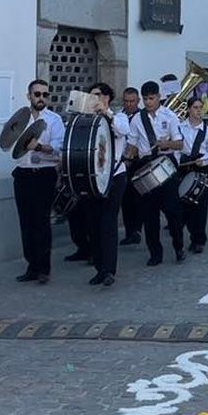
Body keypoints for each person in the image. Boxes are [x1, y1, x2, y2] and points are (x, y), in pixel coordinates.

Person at [11, 80, 66, 284]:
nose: (41, 98)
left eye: (45, 94)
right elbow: (9, 141)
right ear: (29, 96)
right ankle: (31, 266)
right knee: (26, 221)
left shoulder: (54, 120)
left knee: (41, 221)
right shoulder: (20, 118)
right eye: (37, 94)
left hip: (44, 174)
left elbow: (59, 148)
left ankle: (44, 268)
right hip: (23, 173)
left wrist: (40, 147)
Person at [128, 80, 187, 265]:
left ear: (158, 97)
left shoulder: (170, 116)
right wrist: (129, 154)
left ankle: (179, 246)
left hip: (166, 164)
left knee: (172, 210)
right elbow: (132, 144)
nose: (148, 102)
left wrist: (166, 144)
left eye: (151, 98)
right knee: (149, 214)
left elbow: (180, 143)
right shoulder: (137, 119)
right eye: (145, 99)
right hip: (146, 165)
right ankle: (155, 253)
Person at [86, 82, 127, 287]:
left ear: (107, 98)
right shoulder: (87, 119)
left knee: (108, 223)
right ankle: (99, 267)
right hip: (92, 178)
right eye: (91, 95)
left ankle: (109, 270)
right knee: (94, 224)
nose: (94, 98)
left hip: (114, 176)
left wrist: (107, 114)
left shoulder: (118, 117)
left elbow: (122, 131)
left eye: (98, 95)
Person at [177, 97, 208, 253]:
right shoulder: (180, 127)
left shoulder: (207, 130)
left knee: (201, 205)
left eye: (200, 107)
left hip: (202, 167)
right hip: (185, 166)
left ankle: (198, 239)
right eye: (195, 107)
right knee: (184, 204)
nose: (199, 110)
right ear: (188, 109)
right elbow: (177, 148)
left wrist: (204, 161)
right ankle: (183, 236)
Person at [117, 87, 144, 246]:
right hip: (122, 162)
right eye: (126, 101)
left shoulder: (142, 117)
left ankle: (137, 230)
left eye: (132, 101)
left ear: (138, 101)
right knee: (125, 199)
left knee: (137, 197)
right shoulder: (119, 117)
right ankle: (130, 232)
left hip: (137, 161)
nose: (129, 104)